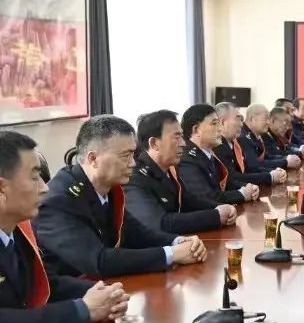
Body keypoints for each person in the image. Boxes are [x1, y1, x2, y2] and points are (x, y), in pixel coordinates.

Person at [34, 115, 207, 278]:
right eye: (125, 156)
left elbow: (137, 234)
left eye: (133, 154)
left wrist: (178, 241)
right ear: (93, 159)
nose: (133, 163)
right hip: (71, 292)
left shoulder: (107, 188)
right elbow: (98, 261)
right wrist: (170, 254)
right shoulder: (58, 200)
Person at [0, 131, 130, 323]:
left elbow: (43, 283)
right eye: (34, 177)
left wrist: (103, 292)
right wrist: (82, 310)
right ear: (2, 188)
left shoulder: (16, 229)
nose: (45, 188)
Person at [125, 110, 238, 235]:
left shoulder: (170, 169)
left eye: (182, 136)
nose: (183, 143)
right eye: (176, 137)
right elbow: (160, 223)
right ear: (154, 143)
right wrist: (215, 216)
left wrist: (221, 207)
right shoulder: (135, 178)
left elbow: (189, 201)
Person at [177, 104, 260, 205]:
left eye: (219, 124)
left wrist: (248, 187)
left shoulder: (207, 153)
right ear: (196, 130)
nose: (220, 129)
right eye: (214, 124)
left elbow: (226, 182)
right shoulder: (187, 159)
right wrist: (242, 194)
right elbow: (205, 197)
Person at [213, 102, 285, 186]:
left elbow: (248, 168)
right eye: (237, 119)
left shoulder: (233, 143)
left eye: (241, 120)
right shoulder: (218, 146)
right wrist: (270, 176)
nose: (241, 124)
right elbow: (232, 178)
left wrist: (272, 172)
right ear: (222, 122)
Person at [240, 104, 301, 172]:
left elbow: (267, 156)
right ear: (252, 119)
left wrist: (286, 158)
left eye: (268, 119)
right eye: (265, 119)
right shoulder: (243, 136)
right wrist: (284, 163)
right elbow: (255, 165)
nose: (268, 122)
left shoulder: (256, 135)